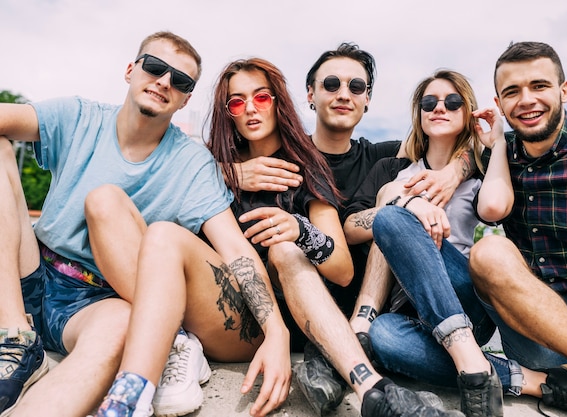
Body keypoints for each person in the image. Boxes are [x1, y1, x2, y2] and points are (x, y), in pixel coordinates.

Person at [0, 31, 290, 417]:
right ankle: (16, 335)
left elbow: (235, 249)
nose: (164, 81)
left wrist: (276, 331)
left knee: (103, 202)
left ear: (186, 97)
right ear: (130, 70)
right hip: (32, 270)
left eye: (181, 81)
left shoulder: (191, 163)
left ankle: (165, 343)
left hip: (99, 301)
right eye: (154, 67)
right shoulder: (79, 116)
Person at [205, 57, 462, 417]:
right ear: (309, 94)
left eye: (356, 86)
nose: (344, 94)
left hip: (324, 305)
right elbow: (167, 162)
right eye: (236, 101)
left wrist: (455, 170)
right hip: (235, 305)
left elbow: (450, 137)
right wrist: (227, 172)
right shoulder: (216, 163)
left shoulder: (363, 159)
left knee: (290, 246)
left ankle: (364, 382)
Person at [468, 41, 567, 417]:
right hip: (541, 340)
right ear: (500, 104)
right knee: (487, 252)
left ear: (564, 90)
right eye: (512, 92)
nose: (526, 100)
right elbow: (445, 153)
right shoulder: (499, 159)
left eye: (538, 86)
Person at [338, 69, 506, 417]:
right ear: (419, 113)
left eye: (452, 101)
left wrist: (493, 145)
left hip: (463, 295)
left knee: (392, 215)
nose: (438, 108)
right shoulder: (394, 170)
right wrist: (407, 204)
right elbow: (353, 227)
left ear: (468, 110)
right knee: (383, 336)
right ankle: (504, 373)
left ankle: (470, 353)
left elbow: (493, 210)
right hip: (412, 312)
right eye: (429, 102)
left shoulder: (477, 170)